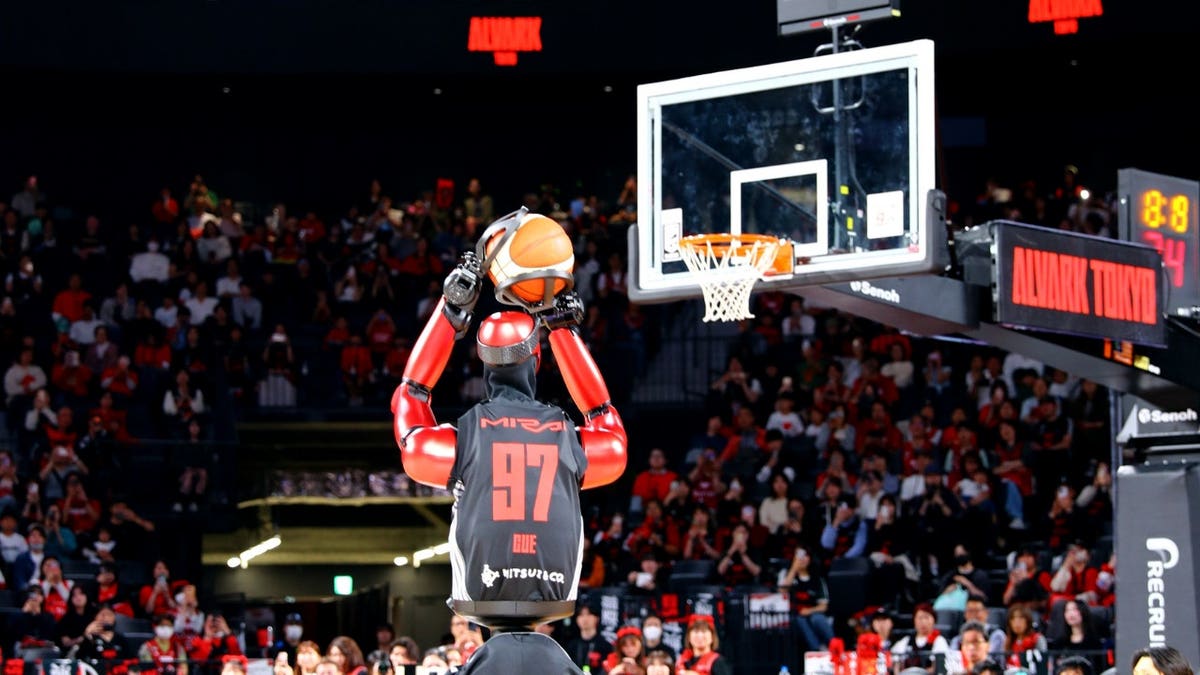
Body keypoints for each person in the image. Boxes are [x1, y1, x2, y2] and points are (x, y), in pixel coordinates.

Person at [393, 238, 626, 628]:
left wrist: (449, 312)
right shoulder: (566, 435)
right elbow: (608, 425)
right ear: (537, 359)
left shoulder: (465, 437)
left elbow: (410, 401)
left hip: (479, 597)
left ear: (483, 361)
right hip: (556, 597)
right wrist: (562, 331)